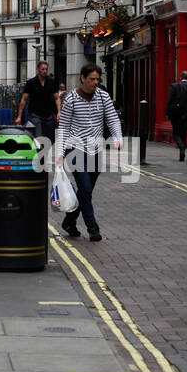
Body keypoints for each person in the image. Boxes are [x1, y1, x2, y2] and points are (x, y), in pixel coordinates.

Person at [56, 63, 123, 242]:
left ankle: (69, 221)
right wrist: (60, 153)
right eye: (92, 79)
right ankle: (92, 227)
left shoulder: (103, 96)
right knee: (85, 188)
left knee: (85, 191)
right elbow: (63, 127)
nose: (95, 82)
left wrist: (118, 137)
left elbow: (113, 119)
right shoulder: (70, 99)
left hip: (95, 150)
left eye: (97, 79)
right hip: (74, 148)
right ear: (82, 78)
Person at [17, 60, 59, 140]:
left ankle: (47, 151)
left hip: (48, 115)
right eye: (42, 69)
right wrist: (19, 116)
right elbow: (23, 100)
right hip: (36, 115)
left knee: (50, 139)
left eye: (46, 69)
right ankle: (39, 151)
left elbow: (57, 98)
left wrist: (59, 112)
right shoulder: (31, 82)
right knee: (39, 137)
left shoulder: (51, 82)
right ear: (38, 69)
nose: (45, 71)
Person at [166, 71, 187, 162]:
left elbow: (170, 100)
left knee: (176, 133)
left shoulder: (174, 86)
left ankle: (181, 146)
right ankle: (183, 151)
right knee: (184, 133)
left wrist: (167, 113)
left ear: (180, 77)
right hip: (186, 113)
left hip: (176, 113)